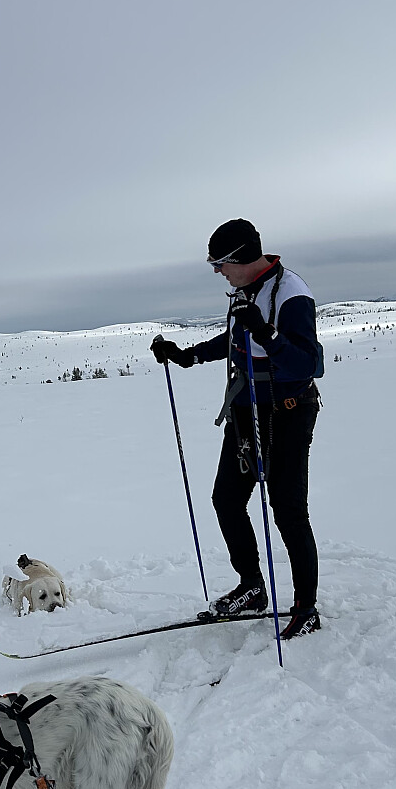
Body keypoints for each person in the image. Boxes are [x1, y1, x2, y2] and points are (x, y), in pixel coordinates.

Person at [150, 219, 324, 639]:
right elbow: (235, 338)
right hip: (247, 410)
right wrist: (188, 355)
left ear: (242, 257)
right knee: (226, 500)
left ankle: (306, 608)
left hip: (287, 411)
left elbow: (309, 364)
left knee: (288, 511)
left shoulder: (291, 293)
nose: (217, 272)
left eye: (220, 263)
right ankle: (252, 586)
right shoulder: (246, 291)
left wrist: (266, 331)